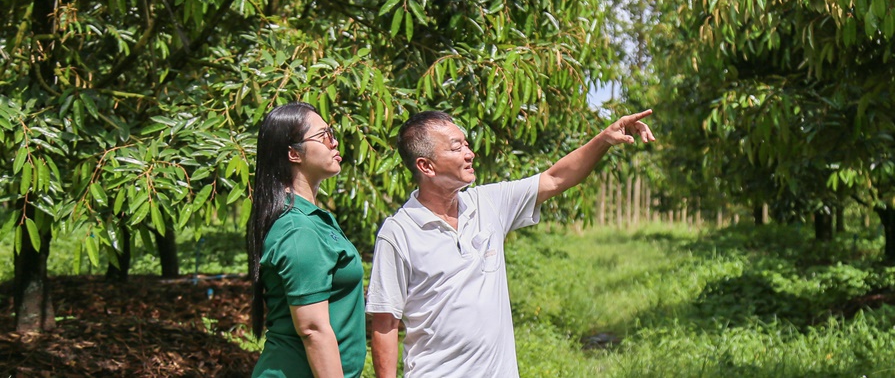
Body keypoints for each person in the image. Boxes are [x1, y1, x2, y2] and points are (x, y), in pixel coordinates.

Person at [366, 109, 655, 378]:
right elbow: (385, 324)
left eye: (466, 144)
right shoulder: (398, 233)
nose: (470, 153)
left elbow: (555, 179)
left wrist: (604, 138)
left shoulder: (487, 203)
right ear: (426, 166)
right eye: (457, 148)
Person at [247, 102, 366, 378]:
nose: (334, 142)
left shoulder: (313, 218)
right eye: (323, 136)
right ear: (293, 153)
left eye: (332, 133)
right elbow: (313, 330)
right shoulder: (297, 228)